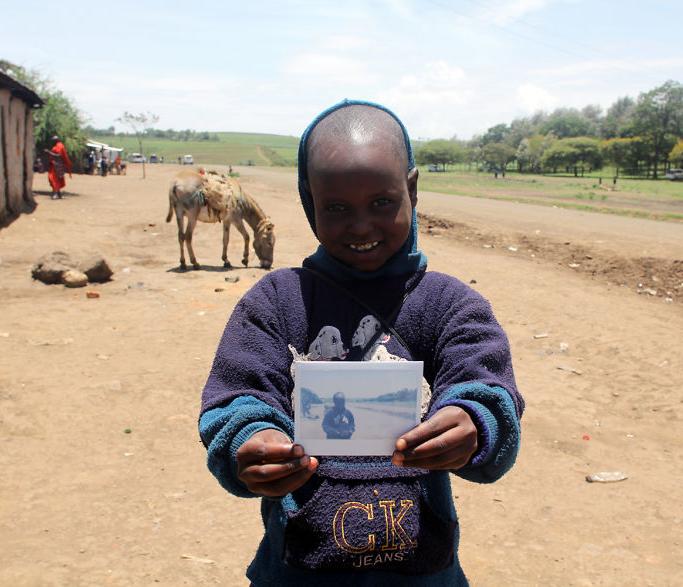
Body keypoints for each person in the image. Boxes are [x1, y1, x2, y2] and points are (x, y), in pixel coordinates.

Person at [198, 99, 523, 586]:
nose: (361, 225)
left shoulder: (448, 304)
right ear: (309, 202)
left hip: (423, 573)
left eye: (381, 203)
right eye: (336, 208)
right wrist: (251, 441)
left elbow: (485, 384)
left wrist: (473, 421)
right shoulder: (276, 302)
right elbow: (236, 400)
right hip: (296, 572)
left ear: (411, 189)